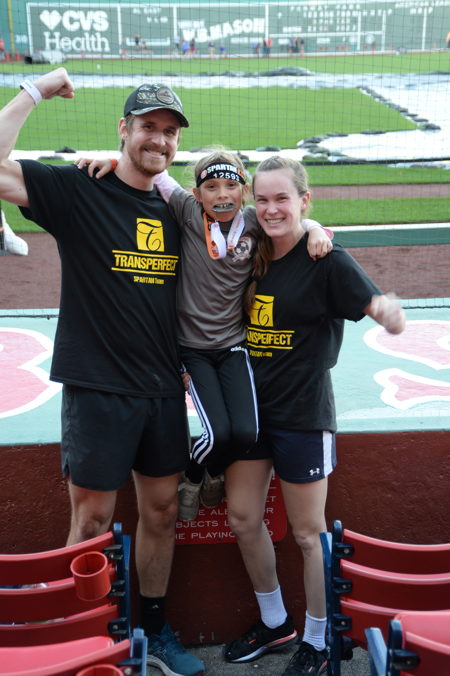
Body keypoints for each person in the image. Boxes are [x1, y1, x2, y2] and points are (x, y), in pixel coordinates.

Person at [0, 67, 205, 676]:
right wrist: (35, 90)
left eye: (169, 131)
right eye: (148, 127)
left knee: (161, 513)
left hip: (164, 389)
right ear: (123, 129)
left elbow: (253, 228)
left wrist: (316, 228)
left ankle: (155, 630)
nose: (159, 139)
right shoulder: (78, 189)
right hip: (97, 387)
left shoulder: (179, 208)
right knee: (91, 518)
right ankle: (80, 635)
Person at [76, 150, 333, 523]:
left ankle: (209, 472)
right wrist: (114, 162)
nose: (222, 194)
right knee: (217, 435)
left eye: (231, 186)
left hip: (234, 347)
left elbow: (294, 221)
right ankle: (194, 476)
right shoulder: (186, 210)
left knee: (246, 432)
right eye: (211, 187)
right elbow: (151, 170)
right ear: (197, 194)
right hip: (193, 351)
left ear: (244, 191)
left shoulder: (253, 221)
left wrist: (315, 229)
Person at [222, 156, 405, 675]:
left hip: (303, 414)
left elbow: (373, 303)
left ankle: (320, 641)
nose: (271, 209)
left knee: (308, 534)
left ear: (304, 200)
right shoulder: (249, 245)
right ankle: (276, 622)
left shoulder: (327, 258)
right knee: (243, 518)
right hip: (249, 412)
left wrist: (387, 312)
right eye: (262, 199)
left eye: (282, 198)